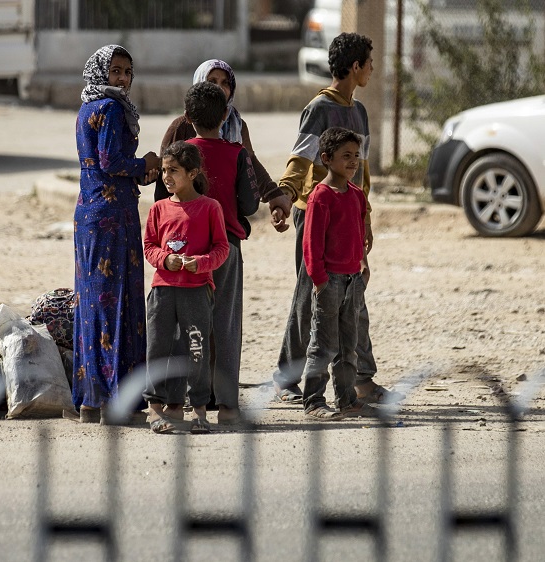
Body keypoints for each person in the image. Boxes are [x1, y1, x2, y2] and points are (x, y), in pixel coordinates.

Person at [271, 32, 403, 405]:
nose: (373, 70)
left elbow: (361, 174)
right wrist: (284, 196)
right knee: (308, 298)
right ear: (356, 66)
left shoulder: (358, 112)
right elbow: (299, 160)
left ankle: (361, 380)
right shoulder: (320, 108)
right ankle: (288, 379)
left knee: (354, 299)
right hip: (316, 217)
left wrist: (366, 218)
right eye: (370, 63)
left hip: (348, 218)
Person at [69, 44, 160, 424]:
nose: (122, 78)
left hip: (90, 214)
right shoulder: (109, 108)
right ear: (101, 72)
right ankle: (115, 402)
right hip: (112, 216)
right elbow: (111, 161)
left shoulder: (87, 107)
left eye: (126, 72)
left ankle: (91, 401)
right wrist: (146, 165)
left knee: (92, 304)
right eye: (115, 71)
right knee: (116, 302)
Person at [181, 81, 260, 425]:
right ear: (226, 114)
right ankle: (227, 406)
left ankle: (192, 400)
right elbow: (250, 202)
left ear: (187, 117)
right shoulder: (236, 152)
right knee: (226, 326)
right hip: (226, 247)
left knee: (190, 324)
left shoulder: (179, 153)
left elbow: (162, 198)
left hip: (187, 250)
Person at [143, 141, 229, 434]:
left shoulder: (209, 208)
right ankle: (155, 409)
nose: (166, 177)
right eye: (164, 171)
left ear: (193, 173)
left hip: (196, 291)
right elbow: (149, 246)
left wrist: (200, 263)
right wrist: (166, 260)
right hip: (163, 290)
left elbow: (221, 248)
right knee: (158, 348)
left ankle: (200, 410)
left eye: (174, 171)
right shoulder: (158, 209)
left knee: (195, 350)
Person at [154, 59, 292, 231]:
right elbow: (164, 173)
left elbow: (249, 163)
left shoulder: (238, 125)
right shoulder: (182, 126)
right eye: (212, 81)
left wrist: (274, 195)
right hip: (187, 224)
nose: (219, 88)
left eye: (225, 83)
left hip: (226, 224)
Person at [301, 127, 379, 420]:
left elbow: (360, 237)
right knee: (323, 345)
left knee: (349, 345)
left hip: (353, 281)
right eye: (346, 156)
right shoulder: (321, 197)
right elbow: (312, 246)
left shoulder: (357, 195)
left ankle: (348, 400)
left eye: (356, 156)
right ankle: (313, 401)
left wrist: (364, 267)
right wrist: (320, 281)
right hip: (329, 282)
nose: (353, 162)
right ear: (326, 158)